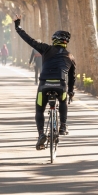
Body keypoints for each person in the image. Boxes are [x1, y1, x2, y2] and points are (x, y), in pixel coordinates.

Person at [14, 15, 76, 150]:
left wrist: (18, 26)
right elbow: (72, 78)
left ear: (54, 41)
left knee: (39, 110)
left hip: (44, 85)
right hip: (60, 86)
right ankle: (63, 126)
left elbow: (29, 40)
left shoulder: (45, 48)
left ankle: (41, 134)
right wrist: (71, 92)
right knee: (63, 101)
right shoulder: (70, 56)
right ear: (66, 42)